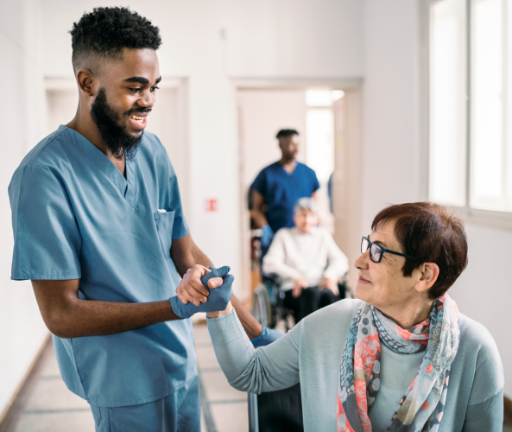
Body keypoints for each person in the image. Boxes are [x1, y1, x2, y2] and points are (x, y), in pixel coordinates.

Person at [8, 8, 234, 432]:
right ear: (87, 82)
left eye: (153, 87)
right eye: (134, 87)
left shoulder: (151, 151)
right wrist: (171, 307)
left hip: (181, 363)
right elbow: (61, 314)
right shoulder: (44, 176)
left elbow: (182, 250)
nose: (148, 100)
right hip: (123, 382)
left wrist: (258, 335)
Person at [205, 202, 504, 431]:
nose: (359, 261)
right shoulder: (327, 324)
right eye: (367, 244)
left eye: (378, 252)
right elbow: (249, 372)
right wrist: (220, 307)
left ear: (424, 275)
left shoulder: (475, 351)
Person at [263, 197, 349, 322]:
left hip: (320, 283)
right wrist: (295, 276)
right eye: (303, 215)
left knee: (329, 296)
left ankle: (331, 338)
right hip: (294, 287)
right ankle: (306, 339)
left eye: (311, 216)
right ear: (295, 217)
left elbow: (341, 260)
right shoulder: (283, 235)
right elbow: (270, 264)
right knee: (310, 295)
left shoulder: (322, 235)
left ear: (316, 219)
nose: (307, 220)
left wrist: (330, 276)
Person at [250, 129, 320, 252]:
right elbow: (256, 208)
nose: (296, 149)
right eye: (292, 144)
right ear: (280, 145)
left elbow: (314, 205)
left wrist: (315, 225)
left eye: (298, 145)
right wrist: (265, 228)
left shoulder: (308, 173)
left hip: (303, 239)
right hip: (275, 237)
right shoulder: (266, 174)